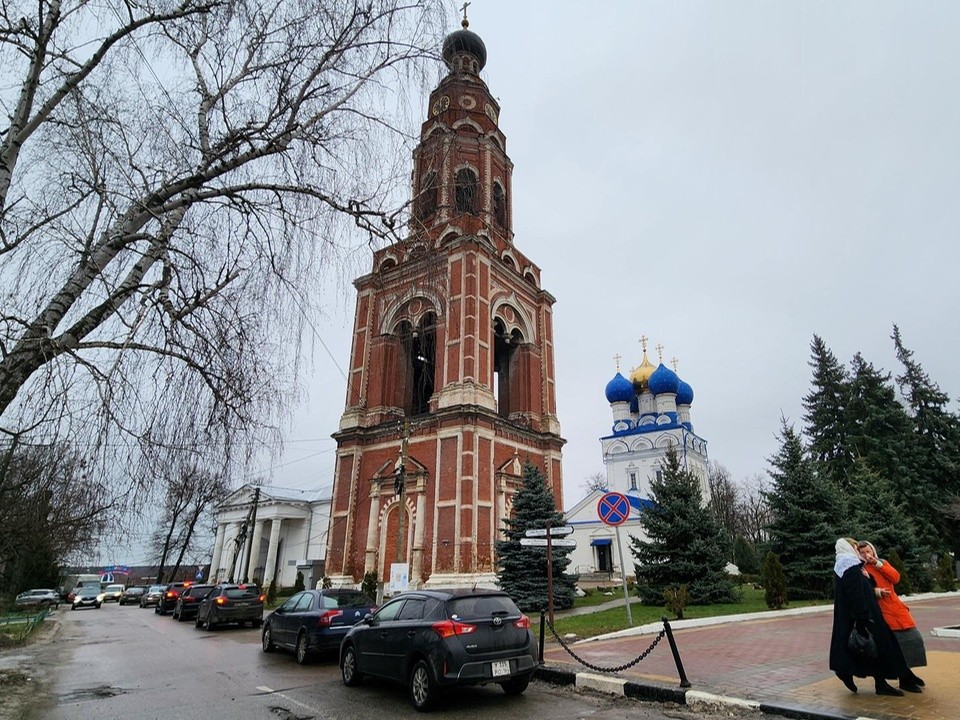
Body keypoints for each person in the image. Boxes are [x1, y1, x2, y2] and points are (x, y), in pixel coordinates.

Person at [828, 538, 920, 696]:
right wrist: (863, 618)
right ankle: (857, 675)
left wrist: (867, 577)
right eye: (855, 547)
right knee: (875, 649)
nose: (858, 551)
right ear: (848, 548)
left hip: (865, 615)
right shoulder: (850, 566)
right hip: (866, 616)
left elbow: (864, 587)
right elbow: (856, 595)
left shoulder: (848, 565)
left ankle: (887, 681)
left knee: (876, 651)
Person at [857, 540, 926, 687]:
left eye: (868, 551)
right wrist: (876, 592)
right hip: (882, 611)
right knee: (895, 644)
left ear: (873, 550)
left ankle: (907, 673)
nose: (866, 555)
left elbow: (895, 578)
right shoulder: (860, 568)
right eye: (862, 552)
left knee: (914, 638)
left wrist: (878, 564)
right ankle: (904, 677)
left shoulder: (881, 562)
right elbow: (862, 590)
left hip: (897, 608)